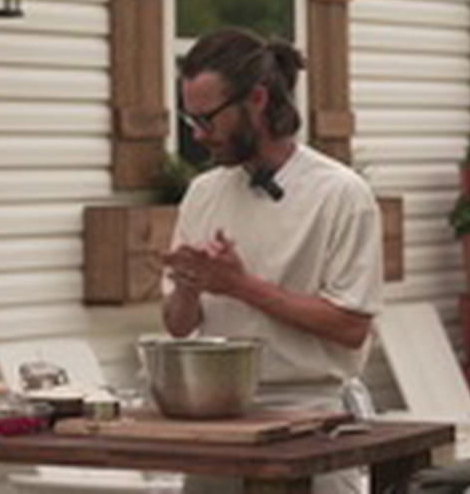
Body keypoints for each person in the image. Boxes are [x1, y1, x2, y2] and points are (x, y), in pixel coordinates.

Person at [161, 27, 384, 494]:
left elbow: (351, 326)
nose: (198, 135)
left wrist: (240, 285)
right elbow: (179, 327)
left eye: (208, 119)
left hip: (313, 420)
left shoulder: (341, 194)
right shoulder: (203, 193)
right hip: (214, 422)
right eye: (190, 120)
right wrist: (187, 284)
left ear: (257, 99)